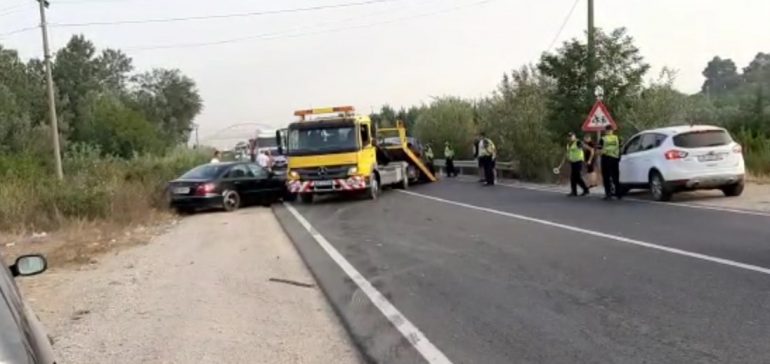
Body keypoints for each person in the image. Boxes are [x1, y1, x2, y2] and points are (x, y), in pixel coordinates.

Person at [562, 132, 590, 197]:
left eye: (571, 136)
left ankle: (585, 190)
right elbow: (568, 152)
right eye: (569, 136)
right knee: (573, 177)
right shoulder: (569, 144)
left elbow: (586, 148)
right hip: (573, 162)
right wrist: (567, 158)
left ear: (574, 136)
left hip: (578, 161)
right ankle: (574, 192)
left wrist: (588, 159)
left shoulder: (578, 142)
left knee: (577, 177)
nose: (570, 137)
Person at [598, 125, 621, 200]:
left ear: (605, 131)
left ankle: (608, 194)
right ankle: (618, 194)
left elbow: (599, 151)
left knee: (606, 177)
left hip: (606, 159)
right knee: (616, 177)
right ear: (612, 130)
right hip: (615, 159)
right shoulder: (617, 138)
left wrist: (601, 152)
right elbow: (620, 147)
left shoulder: (603, 139)